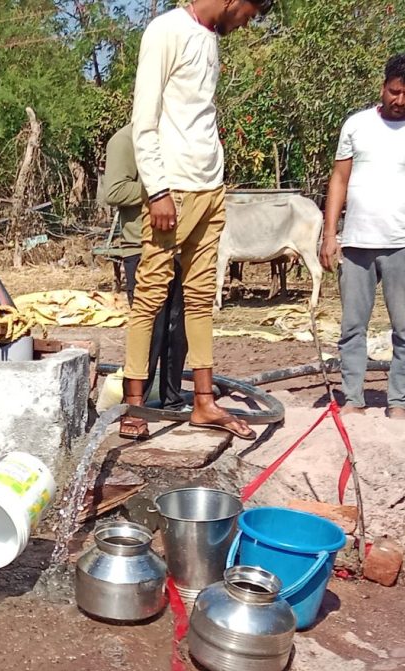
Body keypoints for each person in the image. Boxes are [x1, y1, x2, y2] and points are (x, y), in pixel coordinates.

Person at [124, 0, 271, 441]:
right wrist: (158, 190)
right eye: (248, 14)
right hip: (173, 190)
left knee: (201, 297)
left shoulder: (209, 38)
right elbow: (143, 120)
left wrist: (215, 179)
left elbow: (198, 117)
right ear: (232, 1)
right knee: (150, 296)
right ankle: (134, 407)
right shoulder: (166, 30)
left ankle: (204, 401)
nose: (245, 23)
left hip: (210, 188)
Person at [320, 53, 405, 419]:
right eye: (394, 91)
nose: (400, 100)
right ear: (383, 86)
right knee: (352, 327)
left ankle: (398, 403)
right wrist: (330, 234)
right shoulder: (357, 125)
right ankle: (353, 399)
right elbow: (339, 178)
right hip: (357, 244)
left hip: (404, 244)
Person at [102, 123, 187, 426]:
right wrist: (159, 190)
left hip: (178, 246)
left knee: (178, 330)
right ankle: (136, 406)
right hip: (141, 246)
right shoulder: (125, 140)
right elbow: (113, 190)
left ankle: (173, 401)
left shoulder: (174, 137)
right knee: (151, 329)